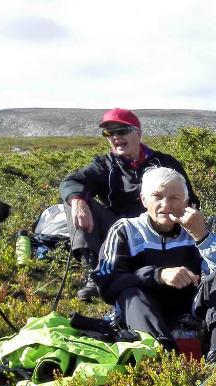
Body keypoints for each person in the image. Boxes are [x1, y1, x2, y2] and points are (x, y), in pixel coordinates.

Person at [94, 167, 216, 365]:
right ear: (143, 200)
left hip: (189, 306)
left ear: (186, 202)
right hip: (145, 308)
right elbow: (106, 282)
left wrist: (202, 237)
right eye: (157, 196)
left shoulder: (196, 226)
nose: (165, 205)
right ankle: (165, 356)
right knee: (129, 293)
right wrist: (158, 275)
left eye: (174, 198)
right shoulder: (126, 230)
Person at [60, 108, 198, 301]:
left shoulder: (165, 162)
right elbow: (72, 182)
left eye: (121, 131)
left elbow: (189, 199)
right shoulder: (105, 165)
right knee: (77, 200)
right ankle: (93, 274)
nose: (115, 137)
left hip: (158, 232)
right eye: (109, 133)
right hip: (118, 231)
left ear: (138, 133)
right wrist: (77, 200)